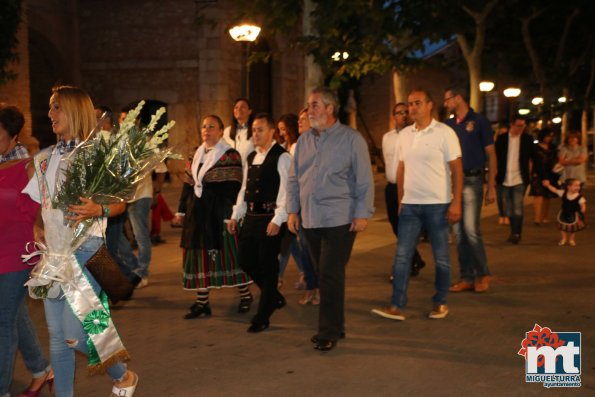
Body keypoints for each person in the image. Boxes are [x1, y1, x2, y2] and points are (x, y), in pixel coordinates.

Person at [22, 86, 138, 397]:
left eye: (56, 107)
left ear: (74, 110)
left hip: (85, 253)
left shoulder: (98, 155)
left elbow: (121, 204)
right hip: (53, 257)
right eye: (50, 108)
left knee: (75, 334)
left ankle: (123, 374)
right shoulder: (44, 158)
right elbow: (41, 203)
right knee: (57, 339)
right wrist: (37, 226)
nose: (50, 115)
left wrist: (97, 208)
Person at [287, 87, 374, 351]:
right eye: (309, 105)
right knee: (322, 273)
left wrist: (362, 213)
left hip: (340, 218)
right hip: (310, 219)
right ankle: (337, 326)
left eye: (314, 105)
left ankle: (328, 332)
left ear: (329, 108)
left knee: (330, 274)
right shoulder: (303, 141)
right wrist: (292, 210)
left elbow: (364, 179)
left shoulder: (351, 139)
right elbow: (293, 179)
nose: (309, 110)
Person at [372, 88, 462, 321]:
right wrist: (402, 199)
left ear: (430, 105)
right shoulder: (405, 135)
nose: (412, 108)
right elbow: (402, 168)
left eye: (417, 103)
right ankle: (396, 305)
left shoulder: (445, 133)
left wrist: (456, 202)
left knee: (441, 256)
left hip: (438, 204)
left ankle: (440, 302)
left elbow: (457, 169)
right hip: (411, 205)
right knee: (402, 256)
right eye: (410, 104)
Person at [0, 103, 53, 397]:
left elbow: (39, 209)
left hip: (17, 252)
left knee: (3, 319)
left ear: (13, 136)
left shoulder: (29, 165)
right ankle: (41, 369)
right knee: (13, 313)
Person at [181, 115, 252, 319]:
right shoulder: (195, 154)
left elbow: (234, 187)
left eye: (211, 126)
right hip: (198, 213)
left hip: (221, 213)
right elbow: (189, 184)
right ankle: (202, 303)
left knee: (231, 256)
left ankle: (245, 295)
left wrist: (231, 214)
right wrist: (181, 211)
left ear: (221, 131)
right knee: (200, 256)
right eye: (203, 126)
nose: (206, 130)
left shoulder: (230, 155)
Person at [228, 113, 291, 332]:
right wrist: (236, 215)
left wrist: (278, 219)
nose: (256, 133)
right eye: (254, 130)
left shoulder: (282, 157)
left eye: (260, 129)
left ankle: (263, 316)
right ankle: (272, 295)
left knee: (268, 265)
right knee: (245, 260)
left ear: (272, 131)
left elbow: (286, 191)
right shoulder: (251, 157)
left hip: (270, 218)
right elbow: (244, 188)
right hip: (251, 218)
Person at [443, 86, 495, 293]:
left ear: (458, 98)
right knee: (459, 233)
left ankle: (483, 273)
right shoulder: (447, 125)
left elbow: (491, 155)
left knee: (471, 230)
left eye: (447, 100)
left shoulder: (479, 121)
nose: (445, 104)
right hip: (452, 182)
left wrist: (491, 186)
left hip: (472, 180)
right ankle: (466, 276)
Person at [382, 102, 425, 279]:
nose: (404, 115)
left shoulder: (416, 136)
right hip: (391, 186)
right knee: (396, 227)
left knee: (406, 228)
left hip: (409, 188)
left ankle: (402, 267)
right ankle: (416, 258)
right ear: (394, 117)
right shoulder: (387, 137)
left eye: (406, 112)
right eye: (399, 113)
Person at [495, 117, 535, 244]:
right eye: (518, 125)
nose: (521, 128)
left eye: (523, 126)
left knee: (517, 207)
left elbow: (535, 157)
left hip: (520, 179)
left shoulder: (527, 139)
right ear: (511, 125)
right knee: (508, 208)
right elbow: (495, 156)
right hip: (505, 178)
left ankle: (516, 233)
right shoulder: (502, 139)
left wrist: (540, 175)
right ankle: (514, 231)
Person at [543, 178, 586, 246]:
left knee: (573, 228)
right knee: (562, 227)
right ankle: (564, 238)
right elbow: (555, 190)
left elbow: (582, 204)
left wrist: (583, 208)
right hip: (564, 213)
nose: (578, 187)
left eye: (579, 186)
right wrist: (548, 185)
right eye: (576, 185)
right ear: (568, 186)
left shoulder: (579, 196)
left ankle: (571, 239)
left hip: (573, 214)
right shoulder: (563, 193)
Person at [529, 128, 558, 225]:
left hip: (550, 172)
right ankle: (537, 218)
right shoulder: (535, 147)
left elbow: (556, 160)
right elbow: (531, 161)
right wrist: (530, 173)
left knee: (547, 195)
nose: (549, 138)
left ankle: (545, 216)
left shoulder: (553, 147)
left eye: (550, 136)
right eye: (547, 136)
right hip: (537, 172)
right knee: (538, 194)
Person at [222, 98, 255, 163]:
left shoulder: (255, 130)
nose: (239, 110)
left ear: (250, 111)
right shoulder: (227, 131)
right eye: (236, 107)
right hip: (232, 169)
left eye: (242, 107)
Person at [494, 124, 510, 225]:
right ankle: (501, 215)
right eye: (501, 133)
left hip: (508, 173)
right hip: (498, 173)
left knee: (507, 196)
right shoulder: (495, 144)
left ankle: (507, 215)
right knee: (500, 196)